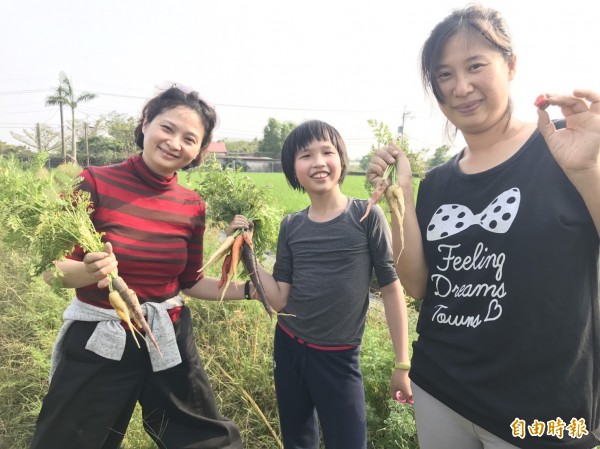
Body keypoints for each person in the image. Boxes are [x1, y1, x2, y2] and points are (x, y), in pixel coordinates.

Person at [367, 4, 600, 449]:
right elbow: (418, 285)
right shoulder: (436, 183)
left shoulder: (567, 150)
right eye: (444, 75)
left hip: (546, 411)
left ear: (511, 65)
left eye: (475, 66)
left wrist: (589, 169)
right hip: (442, 390)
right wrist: (402, 198)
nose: (461, 87)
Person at [29, 85, 251, 449]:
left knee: (209, 441)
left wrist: (251, 290)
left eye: (189, 138)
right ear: (146, 123)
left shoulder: (192, 205)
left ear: (199, 150)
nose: (174, 143)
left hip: (167, 335)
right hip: (100, 338)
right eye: (167, 128)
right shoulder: (94, 182)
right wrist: (91, 271)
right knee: (70, 441)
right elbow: (54, 271)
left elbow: (189, 282)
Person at [233, 119, 412, 449]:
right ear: (292, 169)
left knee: (349, 441)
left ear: (342, 161)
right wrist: (246, 251)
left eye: (327, 152)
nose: (317, 162)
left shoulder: (367, 216)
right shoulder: (291, 225)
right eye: (305, 156)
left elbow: (390, 288)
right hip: (288, 347)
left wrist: (402, 363)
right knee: (297, 439)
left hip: (339, 359)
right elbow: (280, 298)